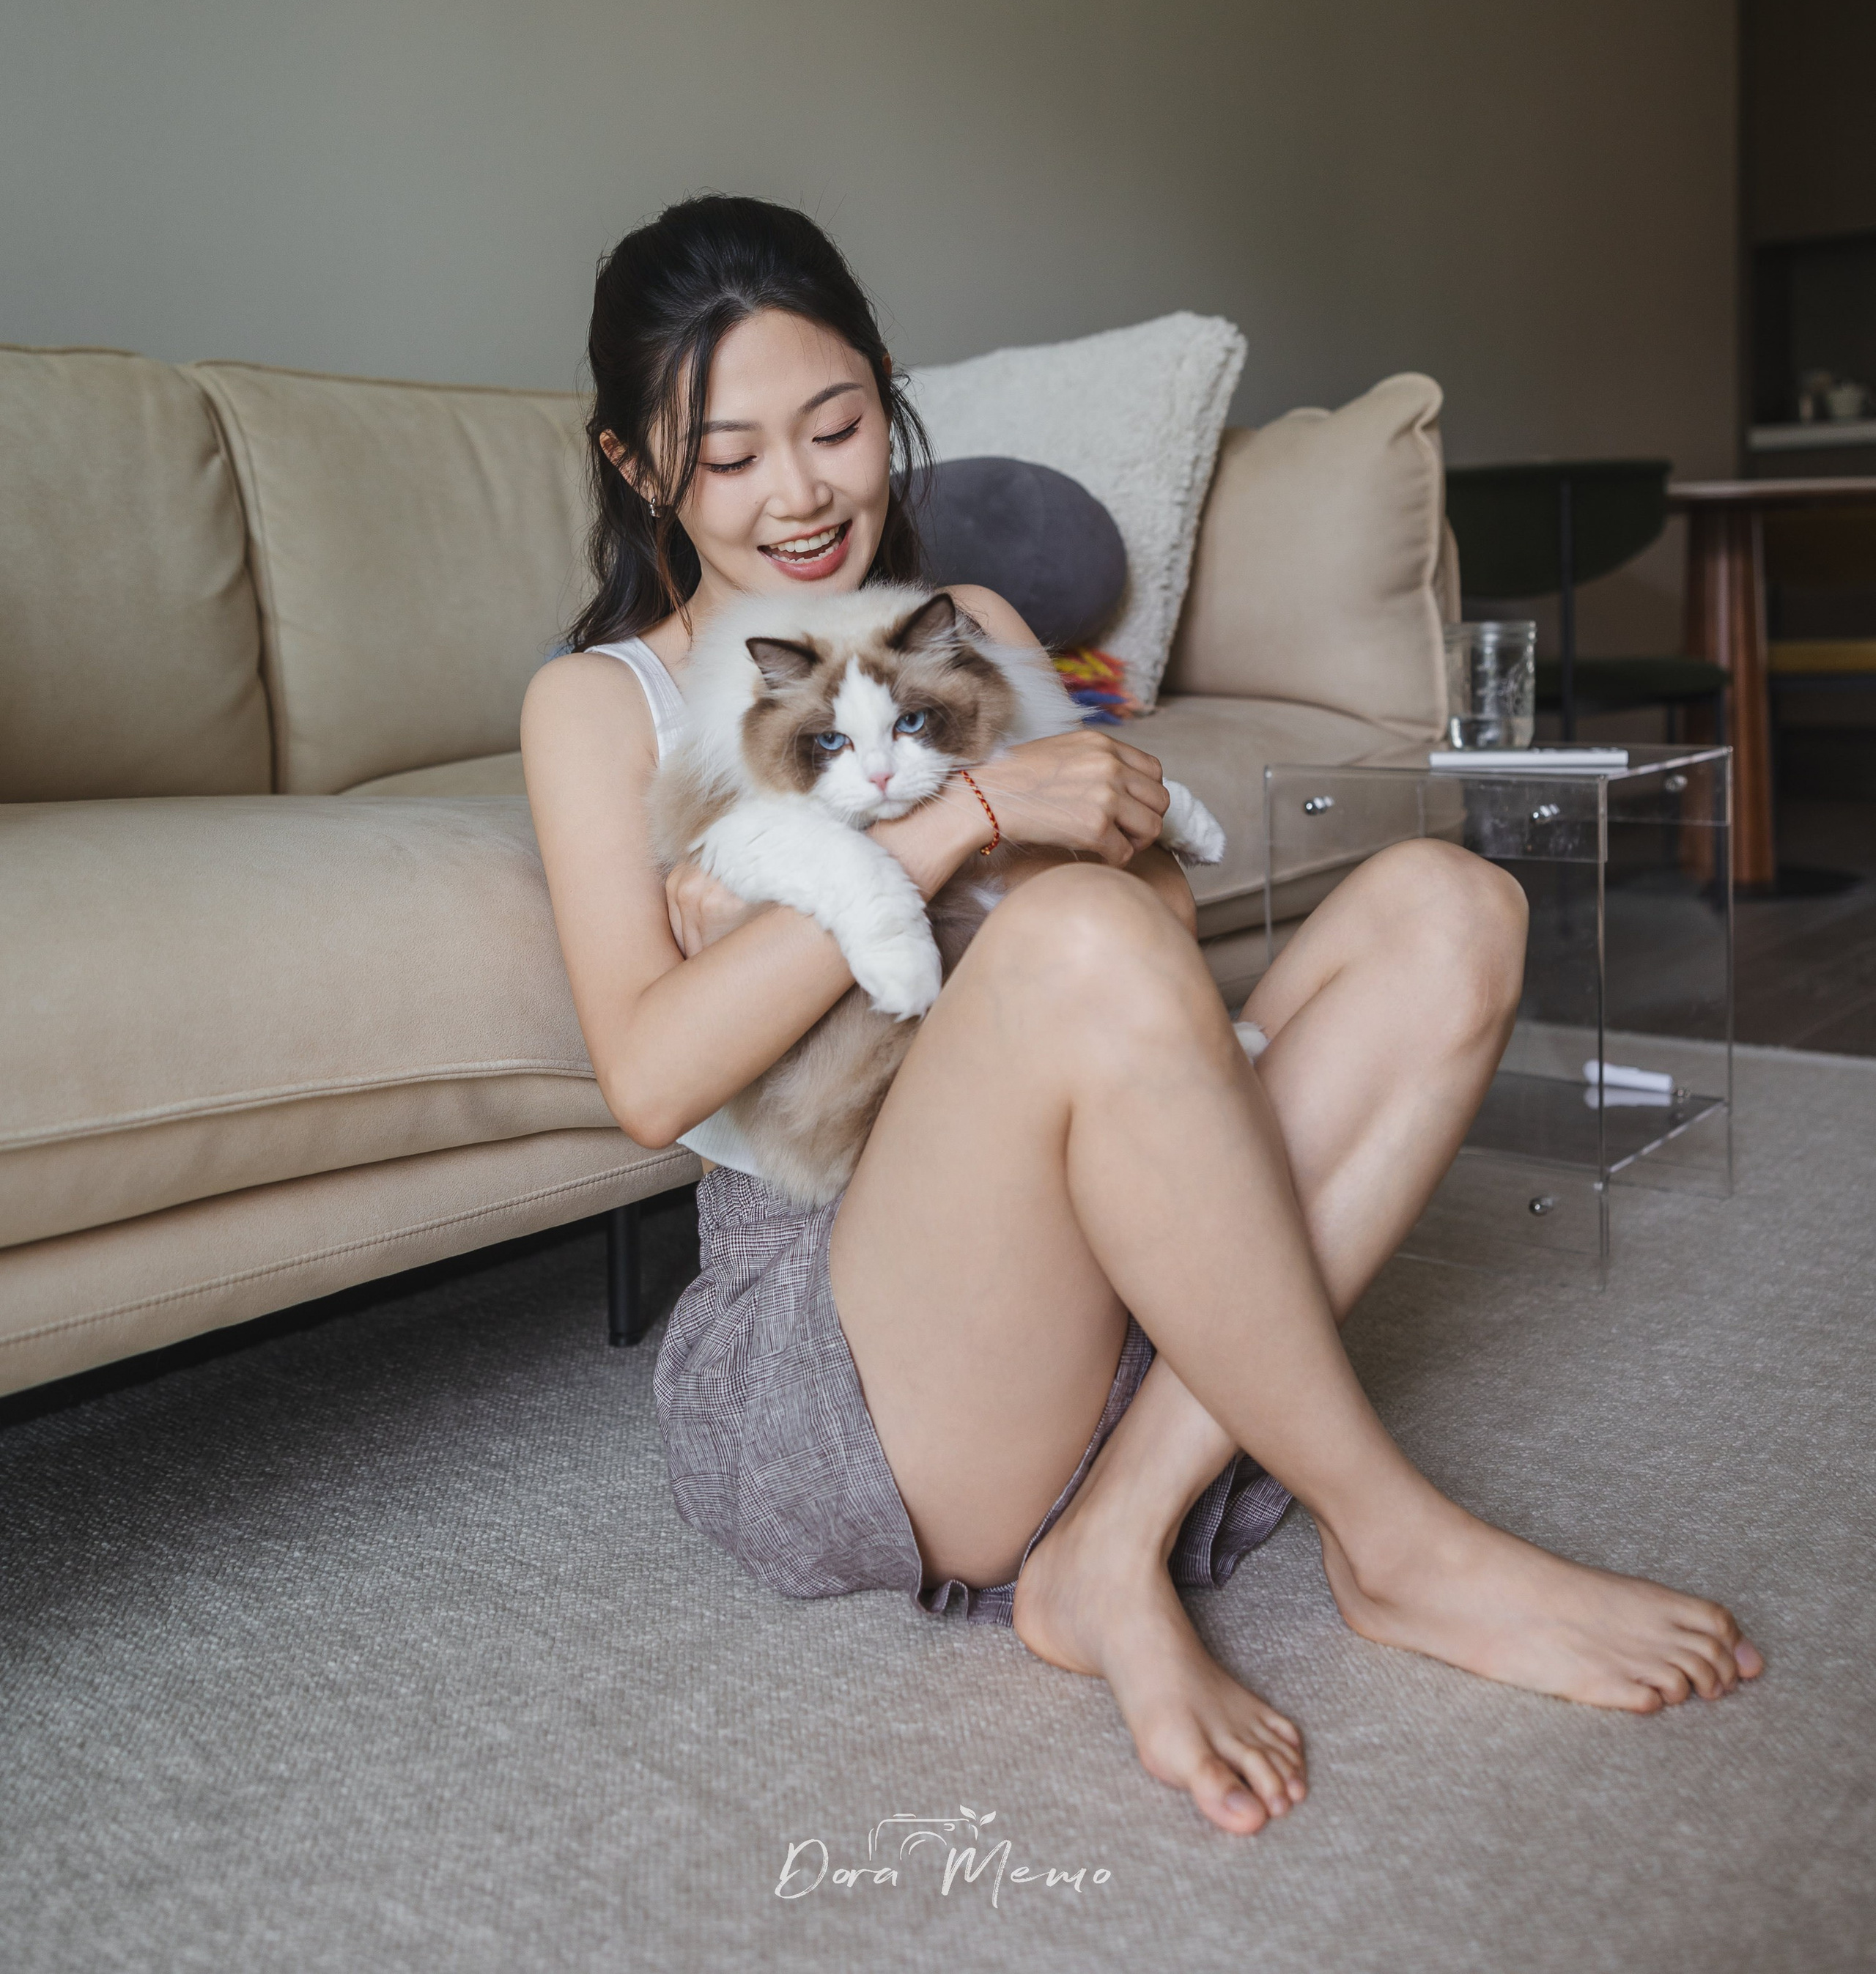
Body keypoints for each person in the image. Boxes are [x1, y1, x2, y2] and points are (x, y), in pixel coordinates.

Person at [522, 195, 1760, 1838]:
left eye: (832, 427)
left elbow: (1154, 961)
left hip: (1112, 1292)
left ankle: (1112, 1538)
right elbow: (647, 1075)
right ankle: (1387, 1534)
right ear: (636, 468)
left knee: (1451, 908)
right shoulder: (604, 704)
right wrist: (956, 825)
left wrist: (1020, 838)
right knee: (1071, 939)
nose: (800, 493)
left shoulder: (968, 629)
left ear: (883, 397)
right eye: (728, 455)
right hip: (862, 1357)